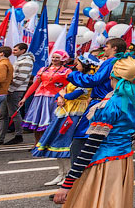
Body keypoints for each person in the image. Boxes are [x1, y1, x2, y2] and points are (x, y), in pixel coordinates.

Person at [39, 55, 135, 208]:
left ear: (114, 77)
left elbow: (90, 147)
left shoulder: (111, 105)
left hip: (101, 167)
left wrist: (67, 184)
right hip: (121, 165)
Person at [33, 55, 95, 186]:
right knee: (57, 141)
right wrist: (60, 96)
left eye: (78, 63)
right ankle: (61, 173)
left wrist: (62, 95)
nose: (75, 65)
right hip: (64, 111)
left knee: (66, 143)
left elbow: (72, 95)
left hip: (76, 112)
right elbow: (61, 91)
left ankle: (68, 174)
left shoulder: (87, 80)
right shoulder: (76, 76)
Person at [18, 49, 71, 142]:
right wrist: (25, 98)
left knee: (51, 122)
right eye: (53, 57)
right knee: (37, 121)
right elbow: (35, 84)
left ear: (63, 59)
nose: (54, 59)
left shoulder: (66, 71)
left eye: (57, 57)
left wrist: (62, 96)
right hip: (39, 98)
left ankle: (49, 143)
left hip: (54, 98)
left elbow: (68, 85)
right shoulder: (43, 69)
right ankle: (37, 143)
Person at [0, 43, 32, 145]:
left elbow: (21, 78)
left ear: (23, 50)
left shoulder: (26, 61)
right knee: (3, 114)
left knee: (14, 113)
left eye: (15, 50)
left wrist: (11, 89)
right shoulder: (19, 60)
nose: (13, 52)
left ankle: (18, 135)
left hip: (15, 90)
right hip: (9, 89)